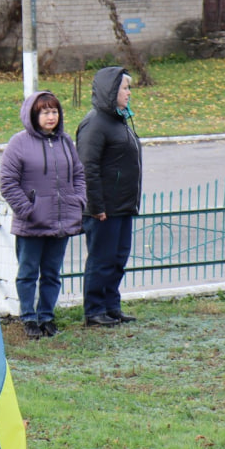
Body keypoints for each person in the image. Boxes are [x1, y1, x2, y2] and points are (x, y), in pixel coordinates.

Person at [0, 91, 86, 339]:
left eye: (54, 111)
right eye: (45, 112)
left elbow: (78, 175)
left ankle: (46, 316)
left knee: (52, 272)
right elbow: (7, 182)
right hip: (32, 224)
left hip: (61, 222)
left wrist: (78, 201)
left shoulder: (65, 142)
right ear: (33, 115)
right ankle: (28, 317)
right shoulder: (19, 143)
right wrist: (28, 210)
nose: (51, 116)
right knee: (28, 272)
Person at [77, 66, 142, 327]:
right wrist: (96, 206)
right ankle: (94, 310)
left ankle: (111, 306)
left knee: (118, 259)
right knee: (101, 259)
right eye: (125, 87)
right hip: (103, 208)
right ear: (111, 90)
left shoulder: (120, 120)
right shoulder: (95, 123)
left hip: (123, 205)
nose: (129, 92)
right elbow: (87, 167)